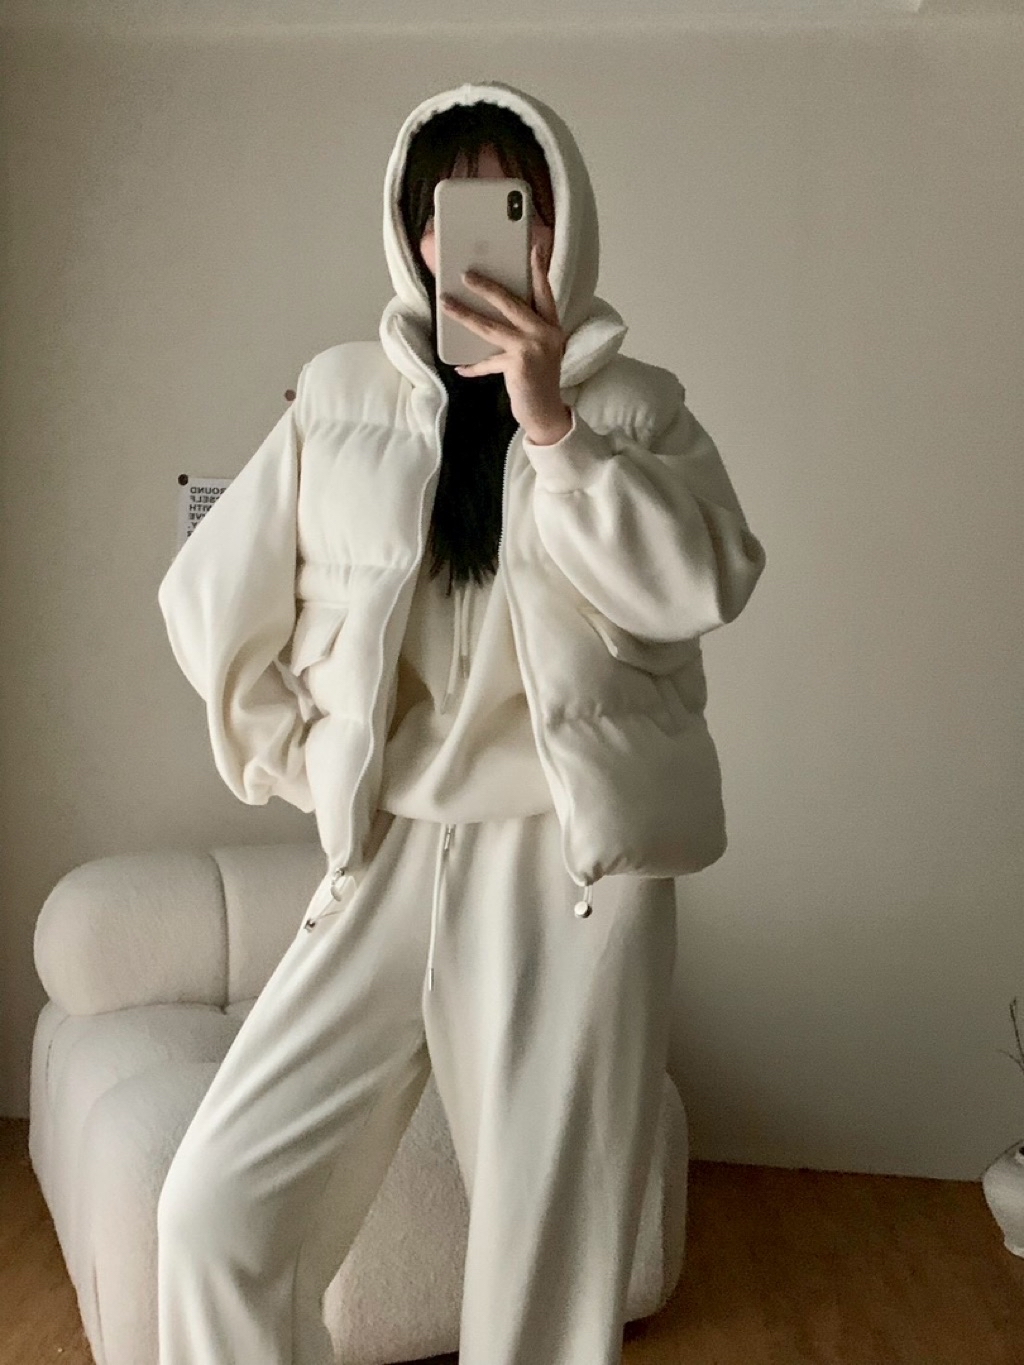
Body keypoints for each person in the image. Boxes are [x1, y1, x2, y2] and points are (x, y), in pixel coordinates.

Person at [155, 79, 766, 1365]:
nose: (473, 239)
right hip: (383, 854)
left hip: (571, 879)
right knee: (214, 1217)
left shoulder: (635, 406)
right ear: (413, 232)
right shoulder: (338, 396)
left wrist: (554, 426)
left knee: (542, 1285)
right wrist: (305, 755)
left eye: (510, 203)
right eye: (447, 209)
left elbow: (702, 583)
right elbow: (209, 597)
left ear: (555, 224)